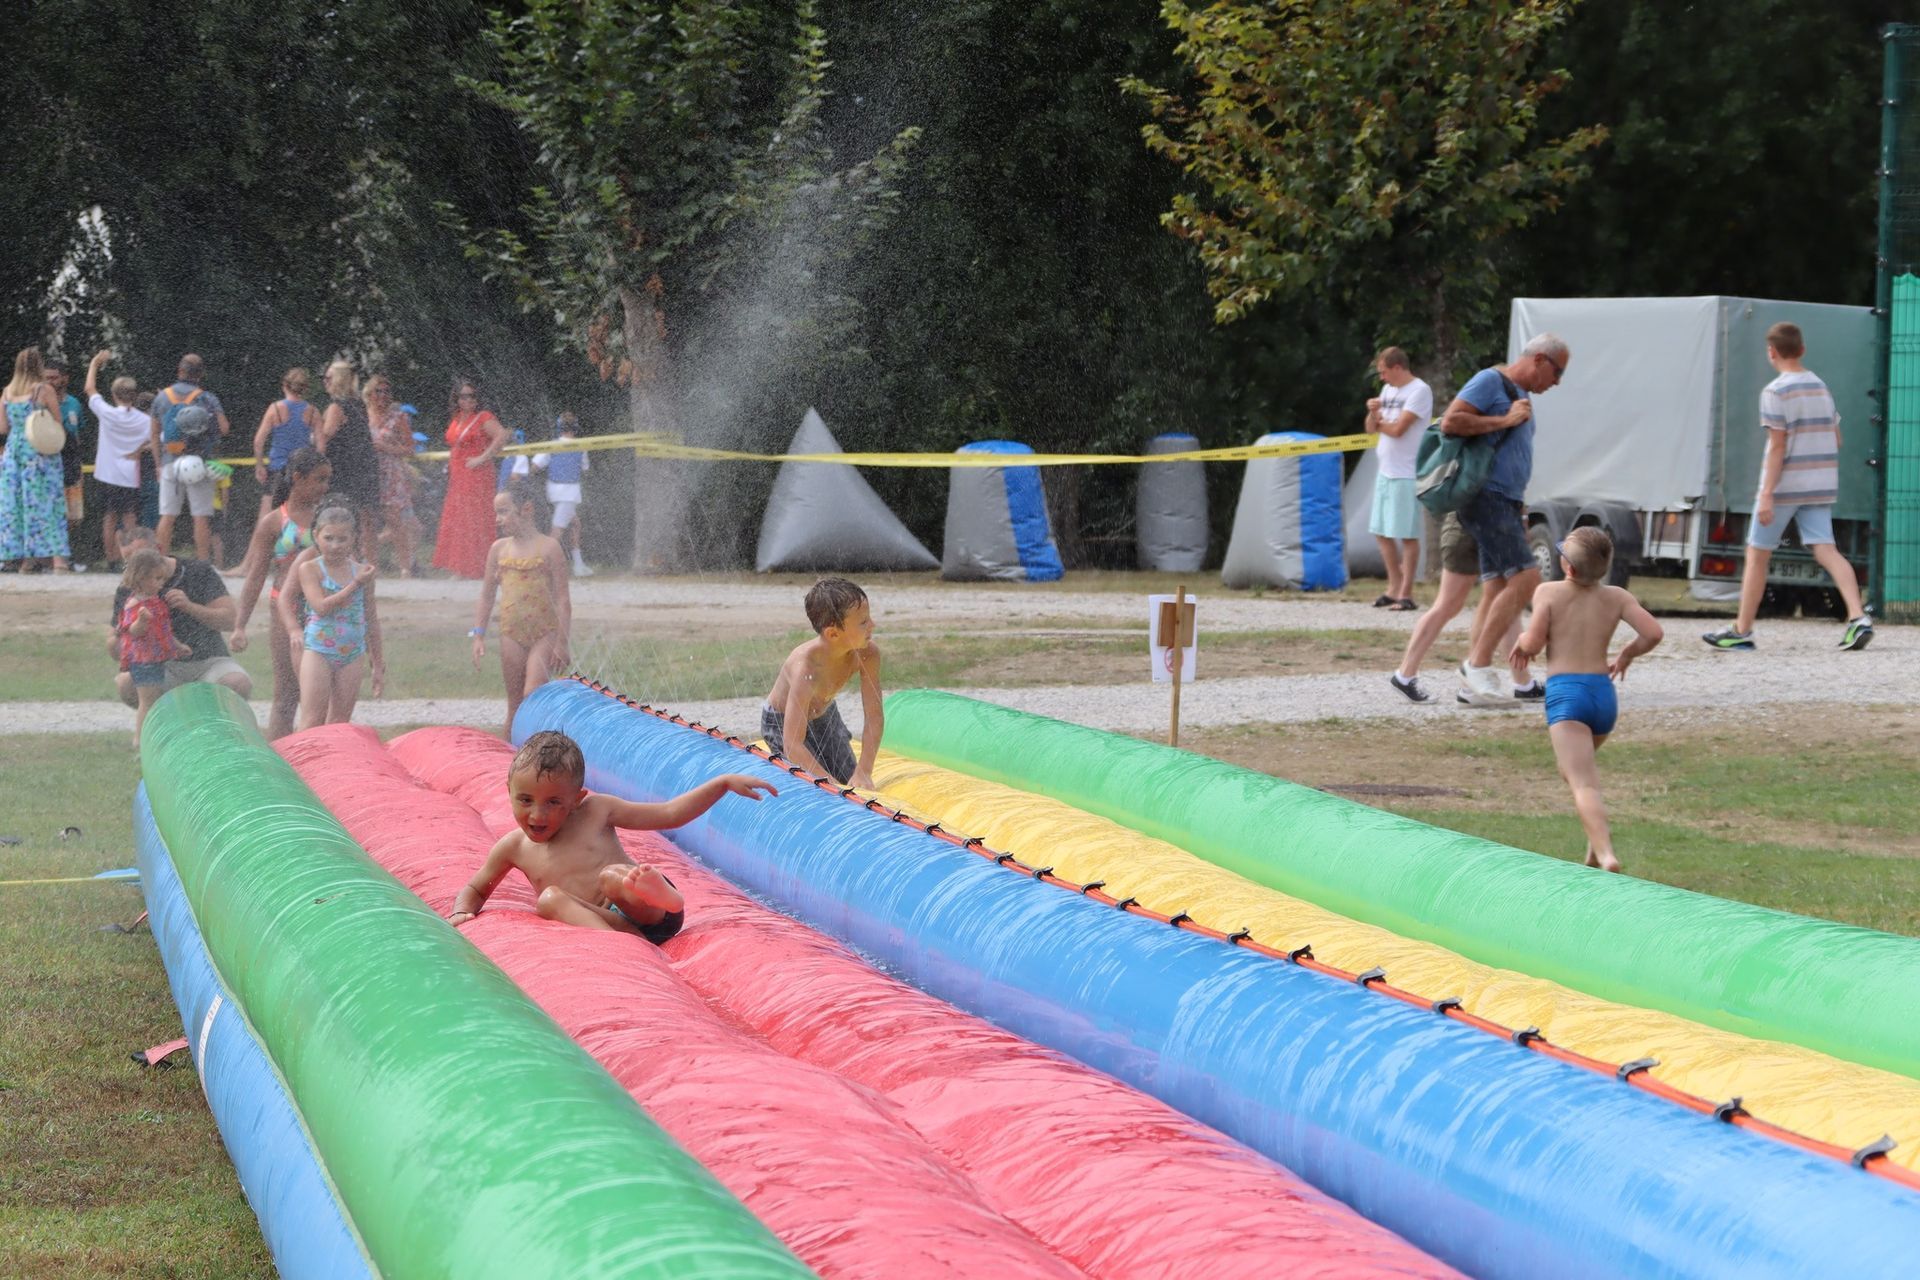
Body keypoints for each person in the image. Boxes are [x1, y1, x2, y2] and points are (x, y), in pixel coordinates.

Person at [448, 729, 776, 941]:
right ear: (508, 791)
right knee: (549, 899)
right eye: (525, 800)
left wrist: (719, 785)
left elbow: (670, 814)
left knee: (612, 878)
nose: (537, 814)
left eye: (553, 803)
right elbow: (477, 888)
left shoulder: (595, 811)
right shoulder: (512, 848)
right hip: (612, 925)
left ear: (577, 799)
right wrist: (463, 911)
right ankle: (616, 945)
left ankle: (662, 898)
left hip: (645, 910)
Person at [1702, 321, 1873, 653]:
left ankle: (1742, 630)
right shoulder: (1820, 386)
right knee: (1826, 549)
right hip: (1821, 482)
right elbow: (1836, 437)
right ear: (1802, 349)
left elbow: (1778, 447)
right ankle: (1857, 617)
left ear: (1771, 353)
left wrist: (1767, 493)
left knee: (1757, 554)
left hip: (1784, 487)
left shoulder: (1775, 392)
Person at [1508, 528, 1664, 874]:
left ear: (1569, 568)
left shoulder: (1547, 592)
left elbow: (1532, 644)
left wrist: (1521, 640)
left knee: (1583, 782)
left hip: (1567, 695)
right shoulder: (1618, 597)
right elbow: (1653, 633)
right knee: (1574, 771)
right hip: (1602, 696)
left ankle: (1607, 854)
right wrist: (1627, 653)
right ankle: (1593, 851)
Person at [1441, 333, 1571, 707]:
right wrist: (1503, 419)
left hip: (1507, 501)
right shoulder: (1490, 381)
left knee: (1497, 587)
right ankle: (1478, 666)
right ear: (1540, 360)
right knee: (1528, 577)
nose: (1557, 382)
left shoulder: (1523, 395)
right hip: (1486, 496)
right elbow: (1452, 421)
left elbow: (1515, 455)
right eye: (1557, 372)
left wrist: (1521, 508)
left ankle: (1473, 685)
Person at [230, 448, 332, 739]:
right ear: (297, 478)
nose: (325, 487)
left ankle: (320, 756)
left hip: (323, 611)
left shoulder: (328, 520)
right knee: (287, 694)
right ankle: (280, 761)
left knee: (322, 695)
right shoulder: (275, 522)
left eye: (328, 480)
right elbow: (256, 577)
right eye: (320, 479)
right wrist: (240, 624)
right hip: (286, 612)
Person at [1388, 511, 1539, 704]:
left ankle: (1521, 683)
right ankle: (1405, 676)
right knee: (1449, 605)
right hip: (1470, 529)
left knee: (1505, 601)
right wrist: (1521, 520)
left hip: (1485, 526)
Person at [109, 526, 252, 708]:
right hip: (159, 666)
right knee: (127, 684)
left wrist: (190, 607)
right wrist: (123, 638)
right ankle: (161, 731)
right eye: (129, 563)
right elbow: (115, 645)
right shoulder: (128, 588)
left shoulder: (197, 571)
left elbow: (231, 621)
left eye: (141, 561)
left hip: (208, 661)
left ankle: (209, 727)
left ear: (158, 550)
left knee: (237, 684)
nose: (135, 570)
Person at [471, 479, 571, 740]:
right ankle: (508, 764)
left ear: (526, 509)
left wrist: (562, 643)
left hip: (544, 634)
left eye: (503, 511)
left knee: (532, 695)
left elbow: (562, 600)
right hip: (511, 633)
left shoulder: (549, 548)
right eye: (497, 512)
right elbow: (486, 596)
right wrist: (478, 633)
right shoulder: (498, 550)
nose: (497, 519)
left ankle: (541, 750)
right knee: (514, 703)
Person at [762, 577, 883, 789]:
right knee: (813, 787)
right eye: (863, 622)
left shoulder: (867, 654)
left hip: (825, 716)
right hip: (781, 722)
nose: (873, 625)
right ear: (833, 633)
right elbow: (792, 744)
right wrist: (832, 788)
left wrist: (864, 771)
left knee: (851, 781)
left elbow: (874, 717)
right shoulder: (806, 668)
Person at [282, 500, 383, 731]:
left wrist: (377, 663)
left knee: (339, 723)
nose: (335, 546)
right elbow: (320, 607)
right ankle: (304, 764)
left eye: (342, 539)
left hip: (352, 652)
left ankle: (331, 765)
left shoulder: (362, 572)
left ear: (353, 539)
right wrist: (355, 584)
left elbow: (371, 618)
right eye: (329, 538)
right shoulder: (310, 569)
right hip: (319, 650)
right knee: (312, 720)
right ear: (316, 535)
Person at [1363, 347, 1431, 610]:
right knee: (1381, 531)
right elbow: (1371, 430)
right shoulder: (1388, 391)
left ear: (1398, 367)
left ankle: (1406, 592)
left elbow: (1400, 429)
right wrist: (1372, 412)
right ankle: (1393, 585)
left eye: (1384, 372)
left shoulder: (1419, 391)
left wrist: (1380, 425)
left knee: (1407, 534)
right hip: (1386, 469)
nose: (1382, 378)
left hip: (1407, 471)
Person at [148, 353, 232, 562]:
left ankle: (160, 562)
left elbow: (153, 434)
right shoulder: (207, 398)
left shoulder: (162, 397)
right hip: (199, 462)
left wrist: (158, 464)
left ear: (179, 371)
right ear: (201, 374)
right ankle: (203, 563)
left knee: (167, 516)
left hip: (170, 461)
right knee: (200, 517)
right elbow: (224, 428)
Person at [0, 346, 72, 572]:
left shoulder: (7, 392)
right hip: (40, 452)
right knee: (47, 503)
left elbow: (3, 427)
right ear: (38, 366)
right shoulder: (44, 389)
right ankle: (57, 560)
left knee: (16, 505)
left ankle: (23, 559)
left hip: (14, 452)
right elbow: (59, 422)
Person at [118, 549, 194, 750]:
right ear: (141, 578)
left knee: (154, 699)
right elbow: (133, 632)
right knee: (147, 701)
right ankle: (140, 740)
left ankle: (151, 737)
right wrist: (142, 620)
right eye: (157, 578)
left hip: (156, 657)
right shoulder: (135, 604)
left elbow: (163, 629)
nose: (161, 583)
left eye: (163, 578)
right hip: (143, 660)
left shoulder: (154, 601)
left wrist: (177, 645)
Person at [433, 378, 508, 578]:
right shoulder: (457, 418)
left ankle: (480, 566)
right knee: (459, 519)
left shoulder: (483, 417)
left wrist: (483, 458)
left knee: (476, 518)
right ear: (457, 399)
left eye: (472, 396)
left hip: (477, 474)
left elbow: (502, 435)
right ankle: (460, 566)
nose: (468, 400)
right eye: (463, 396)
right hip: (458, 474)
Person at [85, 350, 148, 573]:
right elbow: (158, 439)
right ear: (135, 395)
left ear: (113, 394)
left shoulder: (108, 413)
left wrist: (94, 363)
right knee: (130, 519)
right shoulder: (144, 420)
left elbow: (90, 389)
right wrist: (140, 450)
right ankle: (131, 560)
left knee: (109, 517)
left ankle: (112, 560)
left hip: (108, 473)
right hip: (130, 474)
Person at [313, 361, 382, 561]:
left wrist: (314, 429)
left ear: (338, 380)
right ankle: (370, 561)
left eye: (328, 378)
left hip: (345, 468)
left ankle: (348, 560)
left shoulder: (337, 407)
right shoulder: (359, 404)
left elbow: (325, 437)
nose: (325, 382)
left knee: (344, 514)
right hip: (364, 464)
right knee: (367, 516)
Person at [365, 374, 419, 576]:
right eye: (379, 391)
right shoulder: (363, 415)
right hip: (369, 472)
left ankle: (405, 566)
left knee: (395, 520)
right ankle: (371, 567)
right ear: (370, 393)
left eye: (387, 391)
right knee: (368, 520)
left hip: (391, 471)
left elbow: (410, 449)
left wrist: (386, 447)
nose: (383, 395)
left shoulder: (398, 417)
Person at [250, 367, 316, 518]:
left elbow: (258, 441)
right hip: (301, 470)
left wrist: (259, 465)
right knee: (299, 514)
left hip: (277, 468)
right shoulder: (312, 412)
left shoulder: (275, 409)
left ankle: (264, 540)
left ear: (285, 385)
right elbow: (321, 445)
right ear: (305, 389)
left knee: (267, 515)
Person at [533, 412, 593, 576]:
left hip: (555, 492)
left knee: (575, 524)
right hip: (569, 494)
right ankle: (538, 566)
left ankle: (578, 565)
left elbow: (535, 466)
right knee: (556, 532)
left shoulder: (551, 445)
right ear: (575, 428)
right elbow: (586, 469)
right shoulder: (582, 446)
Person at [44, 360, 85, 550]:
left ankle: (64, 552)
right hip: (47, 461)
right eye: (46, 378)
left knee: (73, 516)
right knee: (48, 512)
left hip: (69, 461)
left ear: (65, 378)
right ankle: (47, 557)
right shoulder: (38, 404)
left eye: (54, 377)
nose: (50, 382)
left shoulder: (74, 403)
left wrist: (79, 466)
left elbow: (77, 436)